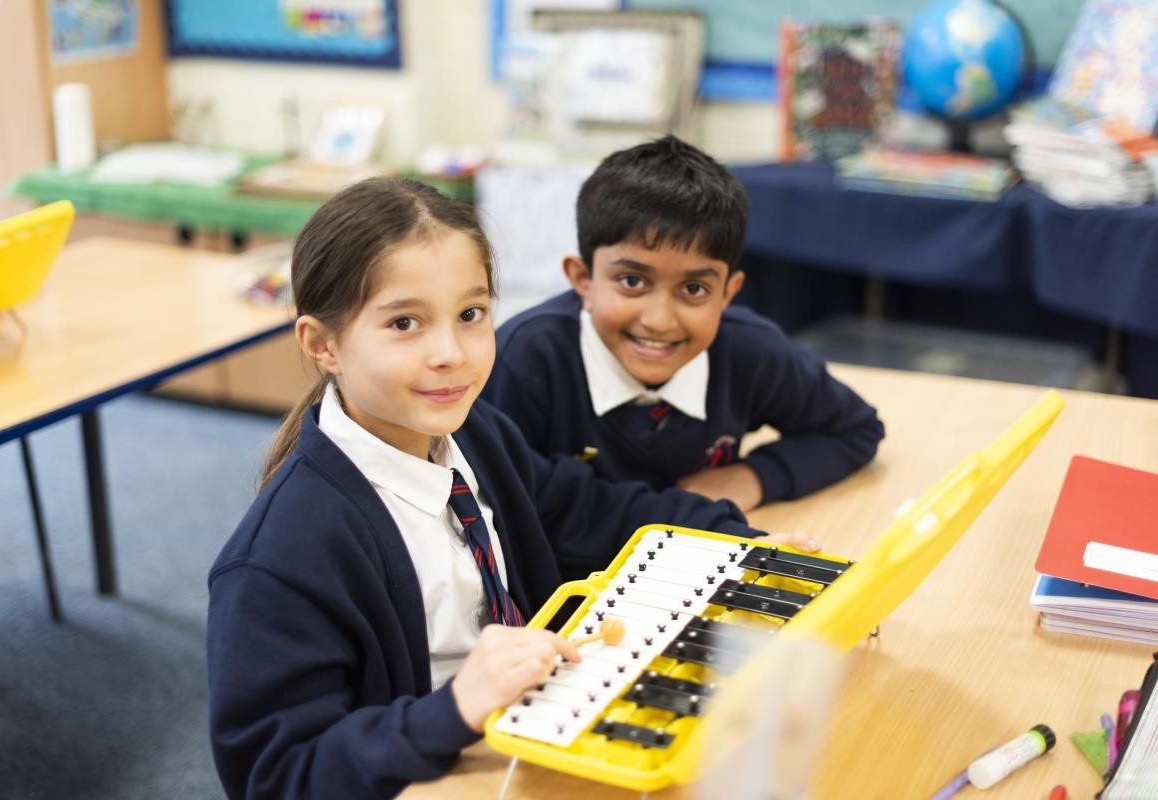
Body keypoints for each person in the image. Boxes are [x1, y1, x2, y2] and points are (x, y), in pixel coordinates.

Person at [206, 178, 784, 800]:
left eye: (471, 315)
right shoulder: (278, 559)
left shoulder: (476, 432)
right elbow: (277, 776)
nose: (451, 353)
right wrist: (455, 707)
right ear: (323, 345)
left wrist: (738, 542)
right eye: (405, 323)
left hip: (535, 743)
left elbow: (589, 508)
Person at [484, 135, 885, 512]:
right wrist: (684, 516)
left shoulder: (750, 350)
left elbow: (856, 429)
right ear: (583, 280)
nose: (659, 321)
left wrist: (754, 477)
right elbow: (517, 504)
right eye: (632, 281)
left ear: (728, 293)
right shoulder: (525, 359)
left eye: (693, 289)